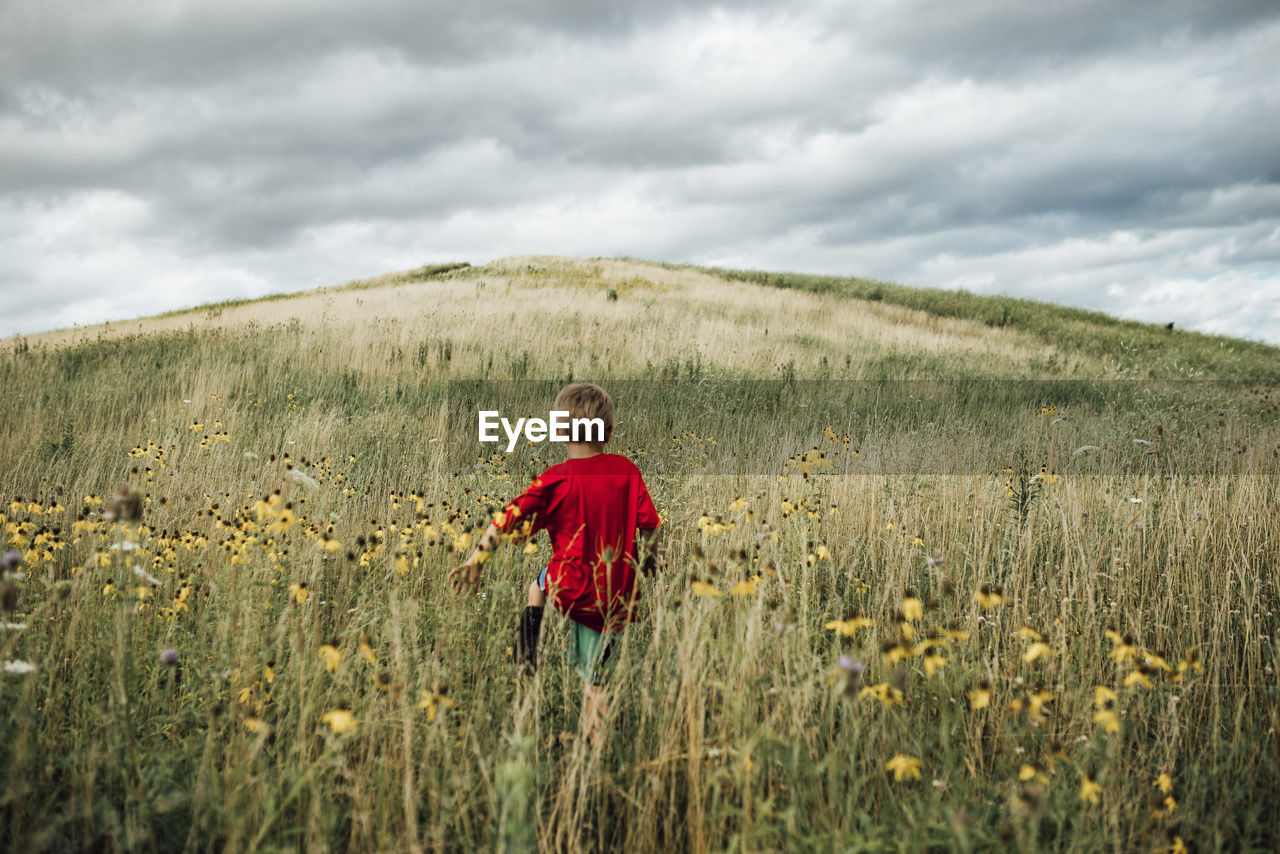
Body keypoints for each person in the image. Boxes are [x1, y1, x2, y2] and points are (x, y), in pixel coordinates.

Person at [448, 383, 663, 748]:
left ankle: (529, 652)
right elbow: (651, 526)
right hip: (617, 592)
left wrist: (476, 562)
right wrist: (650, 560)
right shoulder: (627, 470)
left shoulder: (556, 479)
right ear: (608, 433)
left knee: (541, 583)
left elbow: (507, 519)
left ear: (559, 430)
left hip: (571, 586)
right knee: (595, 674)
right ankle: (591, 739)